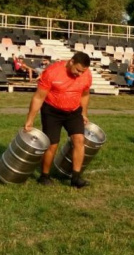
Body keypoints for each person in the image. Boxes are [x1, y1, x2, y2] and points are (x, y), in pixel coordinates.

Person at [24, 52, 92, 188]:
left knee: (79, 140)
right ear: (71, 62)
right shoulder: (52, 72)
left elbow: (85, 95)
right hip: (52, 112)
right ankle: (44, 176)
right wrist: (30, 119)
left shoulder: (86, 75)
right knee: (52, 144)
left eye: (82, 71)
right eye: (78, 70)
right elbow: (38, 97)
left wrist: (84, 113)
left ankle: (76, 178)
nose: (79, 74)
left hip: (73, 111)